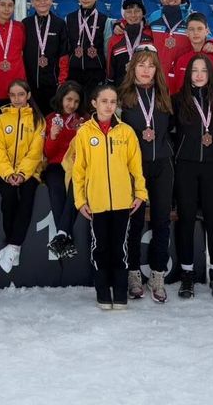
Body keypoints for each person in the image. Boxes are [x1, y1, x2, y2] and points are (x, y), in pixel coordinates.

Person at [73, 84, 147, 309]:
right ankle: (103, 292)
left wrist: (140, 193)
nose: (108, 106)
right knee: (100, 248)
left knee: (120, 248)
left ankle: (120, 292)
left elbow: (136, 167)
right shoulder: (84, 132)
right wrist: (80, 200)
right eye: (104, 101)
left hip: (123, 202)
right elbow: (79, 170)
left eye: (113, 102)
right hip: (96, 202)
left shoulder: (126, 132)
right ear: (94, 103)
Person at [118, 48, 174, 303]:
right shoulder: (123, 98)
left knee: (162, 220)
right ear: (133, 68)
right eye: (141, 65)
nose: (145, 70)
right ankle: (133, 273)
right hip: (134, 168)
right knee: (135, 220)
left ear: (156, 69)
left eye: (151, 65)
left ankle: (157, 274)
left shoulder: (164, 96)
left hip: (162, 165)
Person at [172, 54, 213, 299]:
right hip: (186, 165)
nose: (199, 74)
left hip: (212, 166)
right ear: (188, 73)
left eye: (204, 70)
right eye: (195, 70)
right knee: (186, 220)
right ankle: (187, 274)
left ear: (210, 74)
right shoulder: (177, 100)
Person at [0, 79, 46, 273]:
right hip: (5, 173)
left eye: (21, 94)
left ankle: (13, 246)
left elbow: (35, 152)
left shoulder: (38, 120)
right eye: (13, 95)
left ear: (28, 95)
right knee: (9, 197)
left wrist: (22, 174)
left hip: (29, 173)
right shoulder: (1, 120)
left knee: (27, 197)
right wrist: (8, 174)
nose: (17, 99)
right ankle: (12, 245)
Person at [42, 81, 86, 259]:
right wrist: (52, 136)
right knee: (56, 187)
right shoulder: (50, 119)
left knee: (75, 187)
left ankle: (61, 234)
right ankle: (65, 235)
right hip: (56, 165)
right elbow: (47, 153)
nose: (72, 104)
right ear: (61, 98)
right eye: (69, 99)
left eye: (76, 101)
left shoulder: (85, 120)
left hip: (77, 166)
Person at [63, 0, 112, 103]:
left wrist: (107, 72)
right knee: (75, 105)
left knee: (92, 105)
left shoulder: (104, 20)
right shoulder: (69, 19)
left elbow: (107, 49)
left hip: (95, 72)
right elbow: (66, 46)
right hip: (74, 71)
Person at [23, 0, 68, 113]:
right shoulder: (26, 24)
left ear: (51, 1)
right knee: (32, 119)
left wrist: (62, 81)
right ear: (31, 3)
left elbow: (64, 55)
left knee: (51, 118)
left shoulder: (59, 24)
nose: (42, 2)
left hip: (52, 84)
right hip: (30, 84)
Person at [170, 12, 213, 96]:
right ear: (187, 32)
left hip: (210, 103)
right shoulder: (179, 55)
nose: (195, 33)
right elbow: (172, 84)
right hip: (183, 103)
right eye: (191, 29)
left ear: (207, 31)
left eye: (200, 29)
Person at [106, 0, 155, 86]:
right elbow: (110, 70)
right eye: (128, 12)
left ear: (143, 13)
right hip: (121, 88)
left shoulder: (151, 35)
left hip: (146, 87)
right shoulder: (115, 38)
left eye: (137, 11)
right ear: (123, 14)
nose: (133, 15)